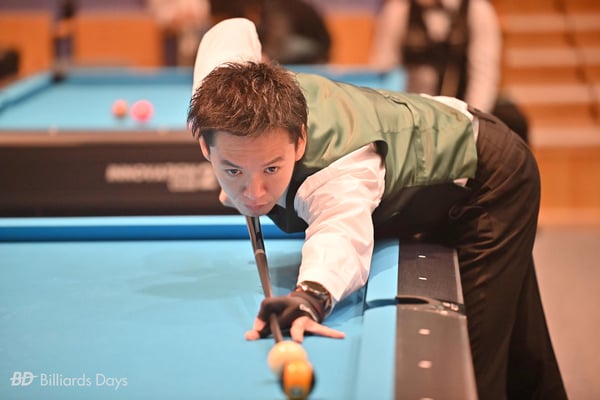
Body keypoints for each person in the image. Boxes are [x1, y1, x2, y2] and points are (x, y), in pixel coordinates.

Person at [187, 18, 566, 399]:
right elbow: (233, 30)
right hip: (454, 127)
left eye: (272, 168)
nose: (254, 192)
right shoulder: (218, 92)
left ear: (299, 141)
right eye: (233, 169)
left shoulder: (336, 171)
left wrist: (310, 297)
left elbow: (340, 233)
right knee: (521, 340)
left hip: (488, 176)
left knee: (472, 360)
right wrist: (240, 177)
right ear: (205, 146)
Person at [370, 0, 529, 142]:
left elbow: (483, 77)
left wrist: (467, 124)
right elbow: (384, 74)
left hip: (462, 116)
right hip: (412, 121)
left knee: (514, 123)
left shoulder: (477, 9)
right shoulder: (398, 10)